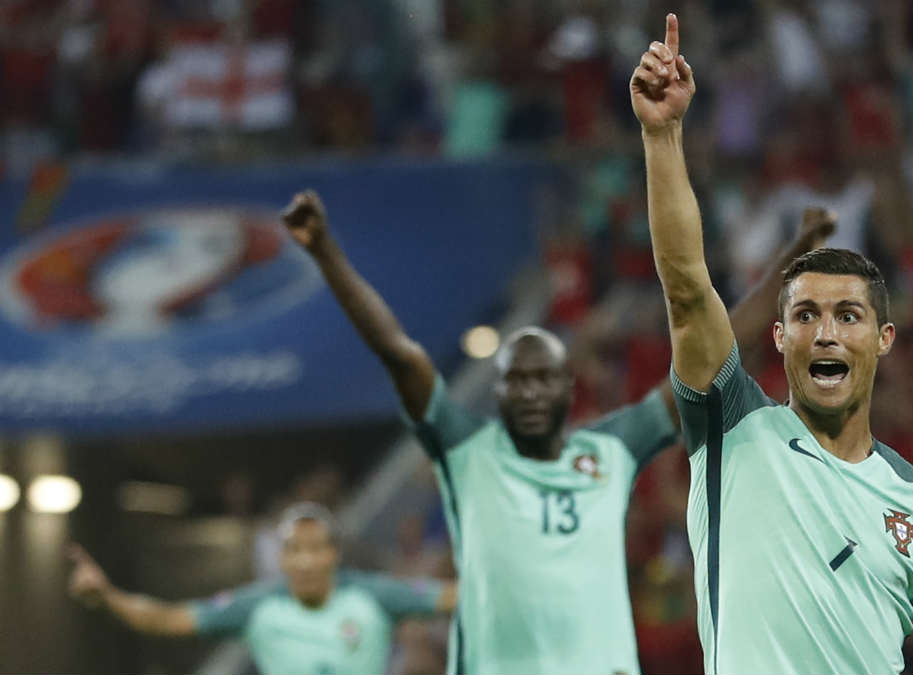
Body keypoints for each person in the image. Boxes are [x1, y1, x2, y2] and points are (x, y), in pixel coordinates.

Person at [279, 188, 833, 673]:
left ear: (568, 391)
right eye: (517, 382)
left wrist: (791, 260)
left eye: (544, 379)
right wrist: (326, 254)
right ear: (499, 397)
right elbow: (399, 355)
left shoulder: (609, 447)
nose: (531, 392)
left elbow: (714, 357)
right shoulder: (474, 453)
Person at [630, 14, 913, 674]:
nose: (827, 330)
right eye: (805, 314)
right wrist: (663, 136)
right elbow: (690, 292)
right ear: (777, 337)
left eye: (848, 315)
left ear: (884, 339)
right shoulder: (729, 426)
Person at [67, 502, 454, 675]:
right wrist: (108, 597)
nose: (304, 561)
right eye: (293, 550)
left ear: (334, 554)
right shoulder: (257, 606)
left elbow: (458, 597)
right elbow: (166, 619)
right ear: (281, 559)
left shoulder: (375, 595)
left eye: (315, 548)